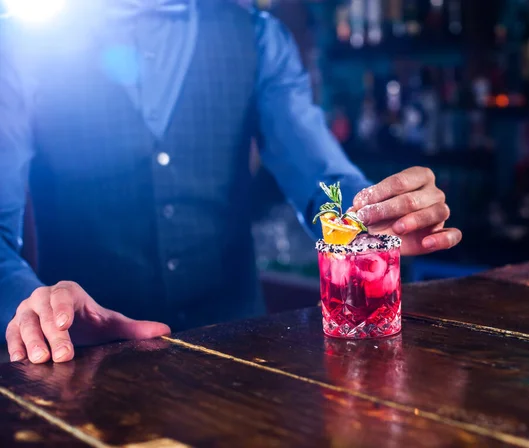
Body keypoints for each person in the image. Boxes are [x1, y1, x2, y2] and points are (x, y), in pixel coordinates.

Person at [0, 0, 461, 364]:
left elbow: (320, 177)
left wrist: (374, 217)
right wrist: (37, 309)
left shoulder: (257, 37)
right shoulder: (18, 45)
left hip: (239, 358)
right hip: (85, 369)